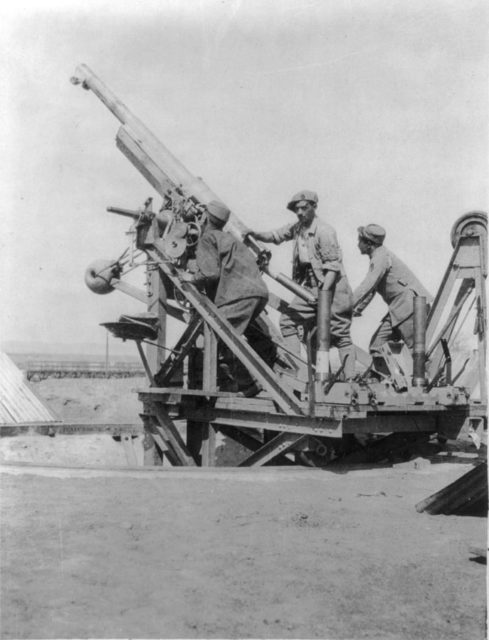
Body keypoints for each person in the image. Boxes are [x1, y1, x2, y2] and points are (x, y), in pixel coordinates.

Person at [246, 190, 355, 379]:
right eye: (296, 209)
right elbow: (276, 236)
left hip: (333, 288)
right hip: (312, 288)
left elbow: (332, 268)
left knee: (340, 334)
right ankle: (301, 375)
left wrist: (323, 296)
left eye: (304, 208)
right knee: (289, 323)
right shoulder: (298, 228)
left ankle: (351, 381)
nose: (299, 212)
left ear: (314, 208)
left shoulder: (324, 231)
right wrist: (255, 234)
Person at [181, 200, 271, 397]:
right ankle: (250, 382)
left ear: (204, 217)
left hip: (238, 296)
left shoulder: (207, 238)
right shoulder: (230, 239)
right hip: (258, 294)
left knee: (215, 333)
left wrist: (190, 277)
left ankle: (248, 383)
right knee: (240, 337)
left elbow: (210, 274)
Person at [352, 223, 433, 374]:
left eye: (360, 240)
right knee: (377, 346)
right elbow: (372, 289)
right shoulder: (379, 256)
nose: (358, 244)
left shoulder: (380, 257)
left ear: (369, 244)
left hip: (409, 307)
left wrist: (347, 305)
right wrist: (355, 310)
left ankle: (434, 384)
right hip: (399, 309)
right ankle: (388, 381)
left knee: (417, 353)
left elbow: (368, 285)